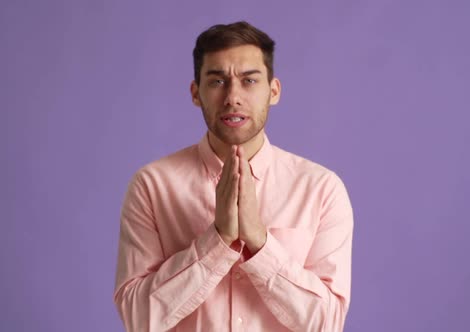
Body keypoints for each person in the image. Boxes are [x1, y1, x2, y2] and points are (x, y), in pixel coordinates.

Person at [114, 21, 353, 332]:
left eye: (249, 81)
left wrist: (260, 242)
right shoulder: (152, 186)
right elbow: (137, 318)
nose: (232, 97)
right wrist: (218, 241)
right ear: (195, 93)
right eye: (217, 82)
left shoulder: (321, 189)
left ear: (274, 91)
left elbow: (327, 323)